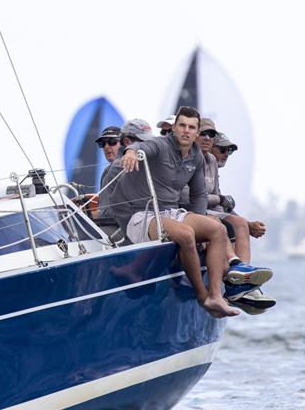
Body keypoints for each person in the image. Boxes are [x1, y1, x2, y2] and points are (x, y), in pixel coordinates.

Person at [112, 106, 270, 318]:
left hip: (172, 212)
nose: (186, 131)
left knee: (217, 229)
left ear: (196, 132)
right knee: (186, 235)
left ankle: (216, 295)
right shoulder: (160, 145)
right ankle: (203, 296)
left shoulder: (196, 156)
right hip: (142, 214)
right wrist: (131, 152)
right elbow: (144, 145)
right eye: (182, 126)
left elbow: (198, 196)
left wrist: (200, 222)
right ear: (175, 128)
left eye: (192, 127)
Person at [209, 132, 275, 313]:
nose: (225, 155)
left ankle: (244, 282)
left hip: (212, 215)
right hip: (198, 216)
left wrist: (249, 223)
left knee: (239, 224)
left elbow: (223, 209)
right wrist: (221, 199)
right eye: (222, 150)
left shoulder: (212, 170)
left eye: (229, 151)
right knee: (217, 227)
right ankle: (236, 278)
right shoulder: (198, 164)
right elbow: (198, 200)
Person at [97, 119, 154, 219]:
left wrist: (95, 214)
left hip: (123, 226)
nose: (106, 147)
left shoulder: (118, 168)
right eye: (102, 143)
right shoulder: (106, 172)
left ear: (125, 143)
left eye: (112, 142)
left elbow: (108, 212)